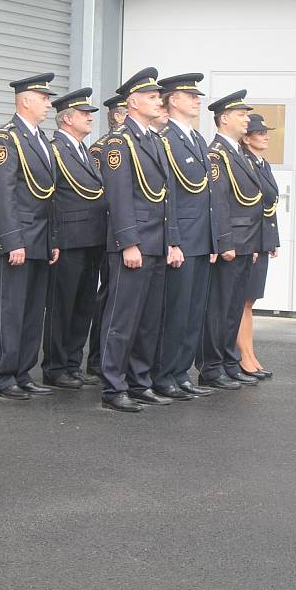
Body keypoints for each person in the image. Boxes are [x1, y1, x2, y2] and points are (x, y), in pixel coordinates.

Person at [99, 67, 184, 412]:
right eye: (151, 96)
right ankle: (113, 386)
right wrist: (128, 243)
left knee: (148, 321)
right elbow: (118, 198)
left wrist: (172, 241)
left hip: (157, 242)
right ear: (132, 102)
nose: (157, 101)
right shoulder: (120, 142)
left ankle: (139, 381)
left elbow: (168, 196)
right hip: (133, 244)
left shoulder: (154, 140)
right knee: (122, 319)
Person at [0, 73, 59, 401]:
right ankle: (4, 376)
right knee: (12, 309)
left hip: (41, 238)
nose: (48, 104)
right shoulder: (6, 139)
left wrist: (53, 239)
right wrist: (13, 240)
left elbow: (50, 196)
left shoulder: (41, 138)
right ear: (26, 99)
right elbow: (3, 195)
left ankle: (24, 371)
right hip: (17, 239)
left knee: (33, 310)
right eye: (43, 98)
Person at [152, 74, 217, 400]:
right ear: (173, 100)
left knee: (193, 311)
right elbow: (169, 196)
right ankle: (164, 375)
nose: (197, 100)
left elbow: (207, 196)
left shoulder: (198, 140)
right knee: (175, 311)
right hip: (182, 240)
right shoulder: (165, 140)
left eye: (197, 96)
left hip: (201, 239)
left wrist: (215, 240)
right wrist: (172, 241)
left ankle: (181, 372)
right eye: (190, 95)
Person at [197, 90, 263, 390]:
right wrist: (223, 243)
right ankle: (211, 367)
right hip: (231, 242)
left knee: (235, 306)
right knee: (220, 307)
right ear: (224, 119)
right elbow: (219, 201)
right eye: (241, 114)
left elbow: (251, 202)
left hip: (245, 241)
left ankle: (227, 360)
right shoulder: (216, 154)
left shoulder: (238, 153)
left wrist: (253, 244)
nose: (246, 119)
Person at [42, 88, 106, 388]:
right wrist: (52, 238)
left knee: (84, 305)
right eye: (84, 114)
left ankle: (72, 363)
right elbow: (50, 198)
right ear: (67, 119)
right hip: (68, 238)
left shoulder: (83, 150)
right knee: (62, 305)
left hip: (91, 236)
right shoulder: (56, 149)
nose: (90, 118)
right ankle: (55, 366)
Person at [87, 93, 128, 377]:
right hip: (108, 229)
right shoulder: (102, 148)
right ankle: (97, 358)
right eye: (122, 112)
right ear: (115, 116)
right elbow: (102, 192)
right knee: (109, 293)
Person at [237, 113, 279, 379]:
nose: (265, 135)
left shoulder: (263, 164)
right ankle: (243, 356)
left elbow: (270, 204)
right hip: (249, 241)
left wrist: (272, 241)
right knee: (243, 302)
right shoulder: (246, 164)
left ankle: (250, 354)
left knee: (250, 301)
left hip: (261, 240)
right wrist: (252, 242)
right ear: (246, 138)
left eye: (265, 132)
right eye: (260, 132)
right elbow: (247, 206)